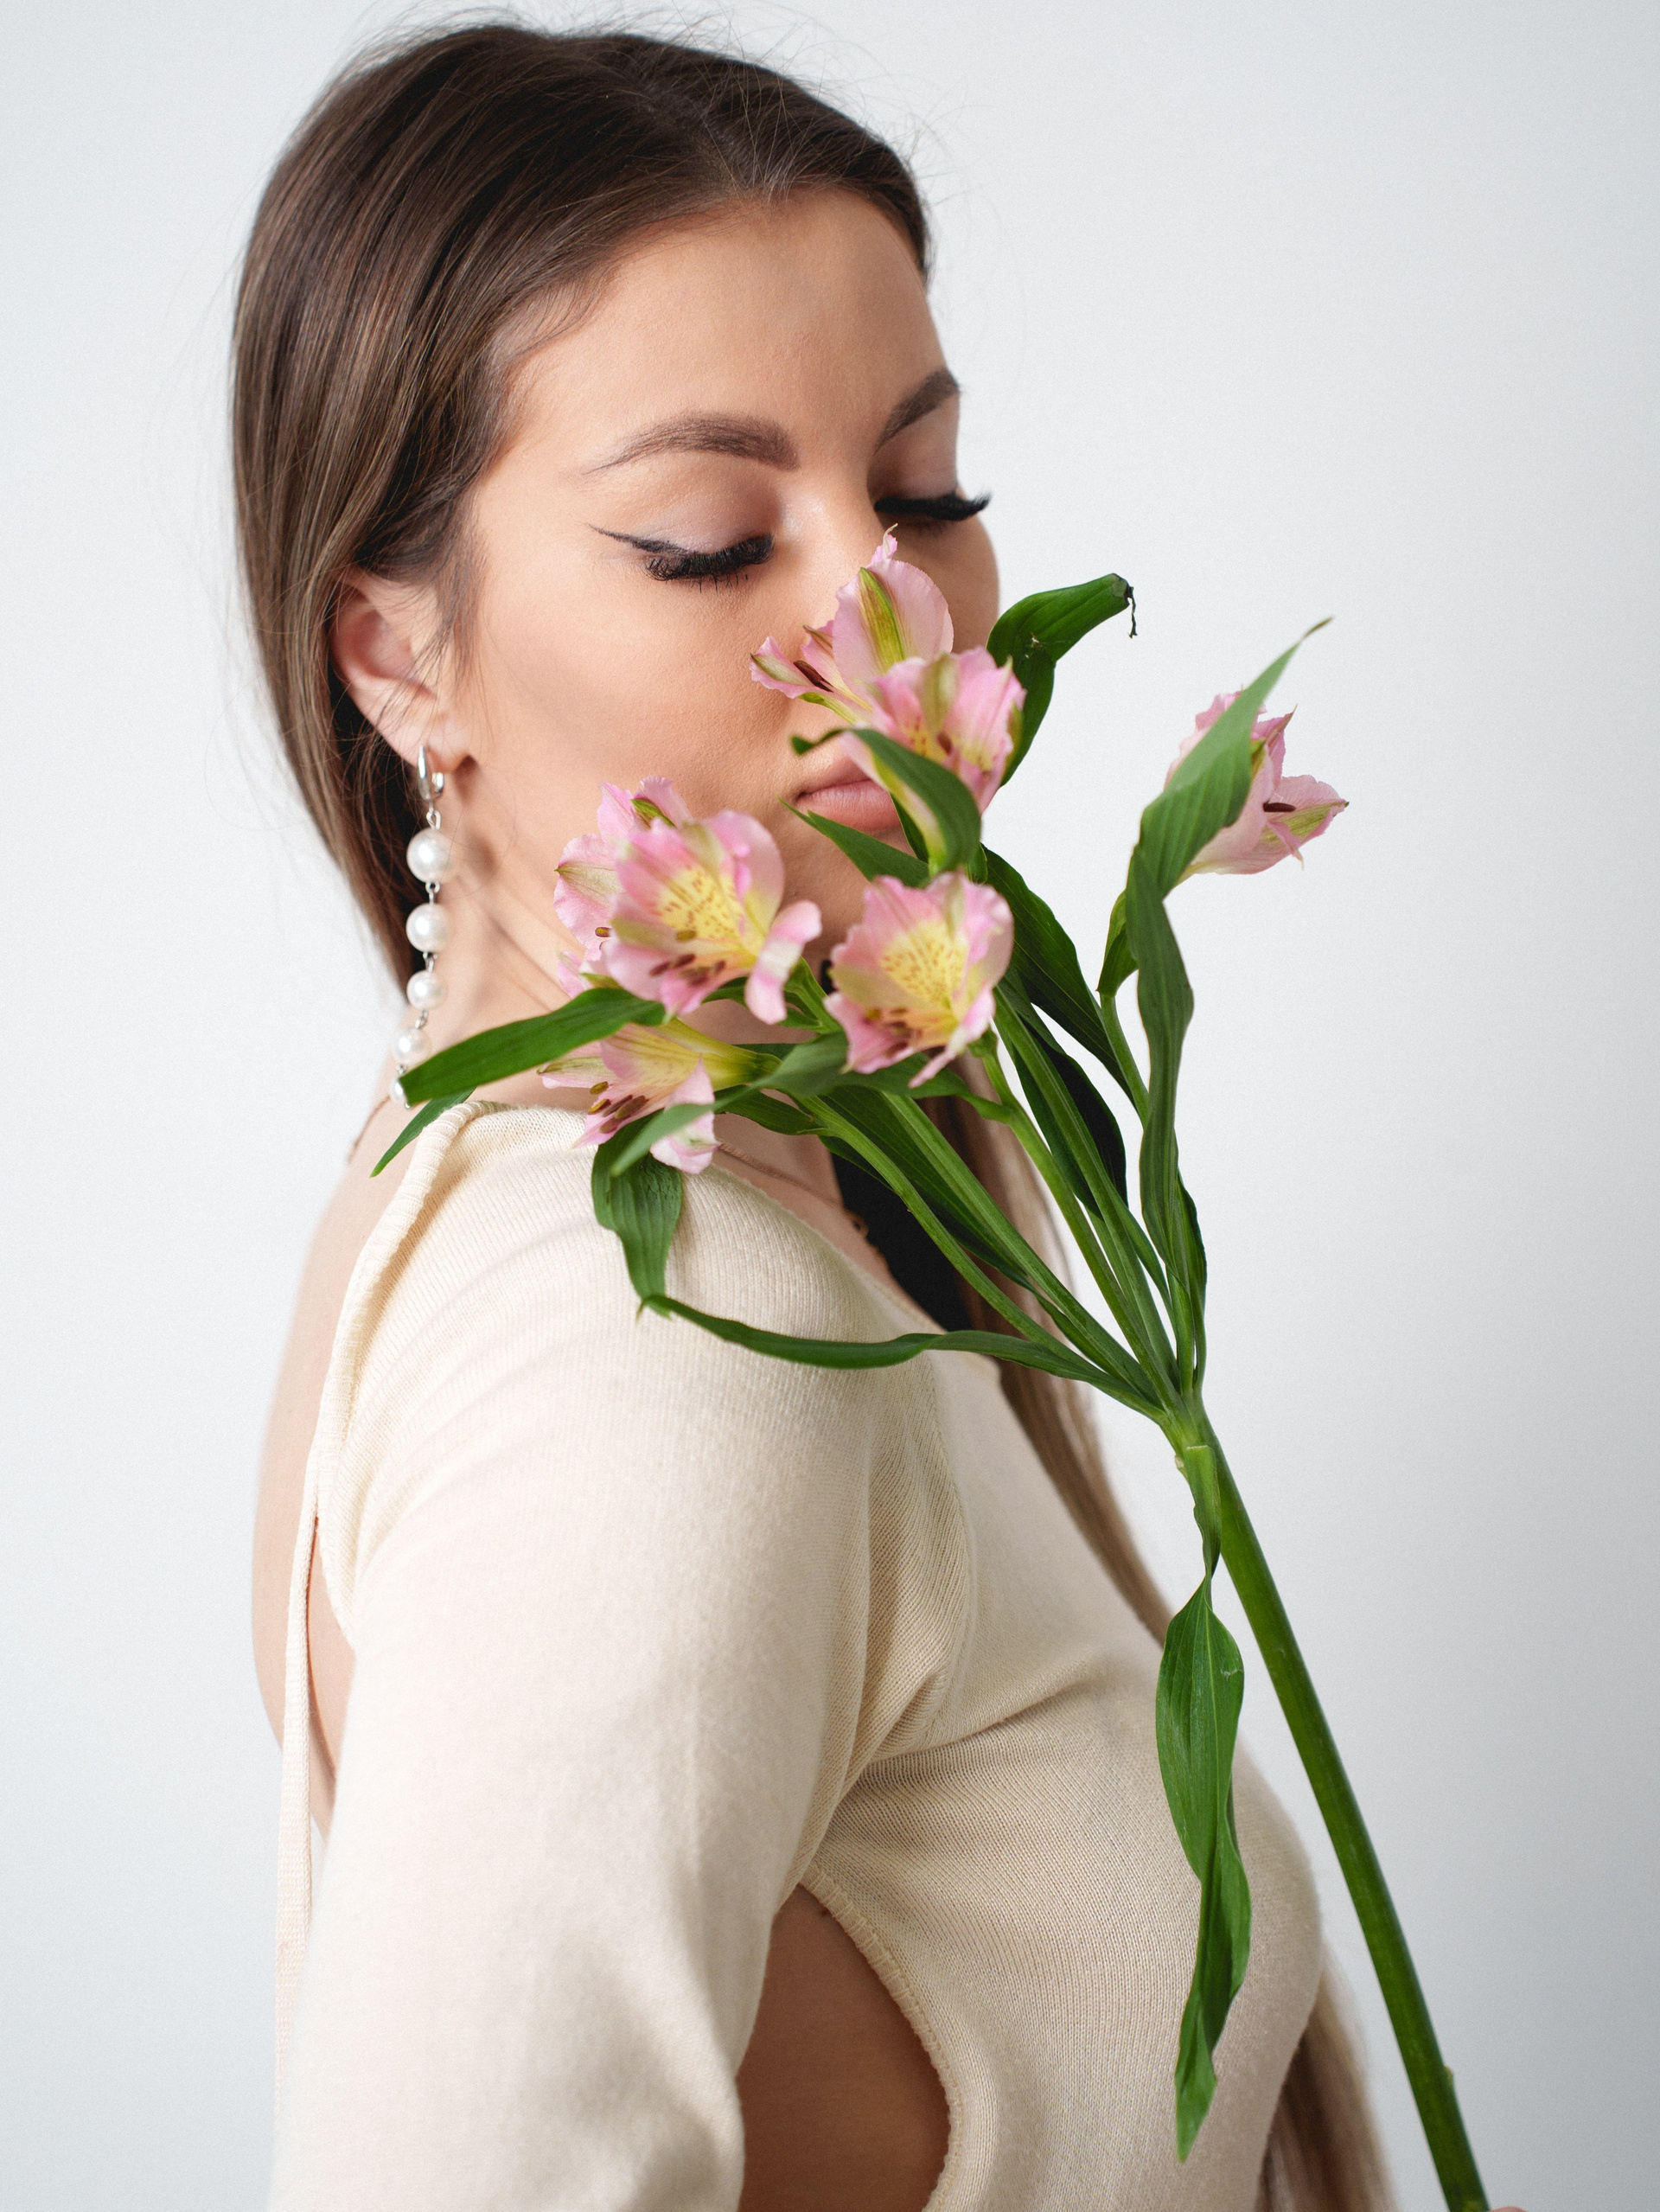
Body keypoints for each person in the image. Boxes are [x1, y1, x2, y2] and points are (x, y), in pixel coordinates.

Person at [243, 26, 1396, 2211]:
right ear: (394, 658)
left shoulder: (730, 1185)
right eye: (708, 540)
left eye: (929, 490)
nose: (896, 611)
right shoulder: (641, 1333)